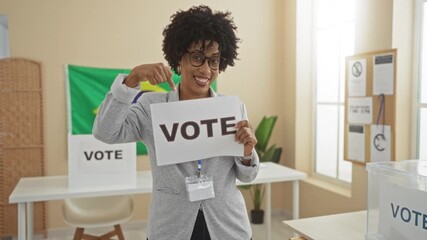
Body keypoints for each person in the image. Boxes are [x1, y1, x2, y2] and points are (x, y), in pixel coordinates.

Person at [93, 5, 259, 240]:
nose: (205, 69)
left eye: (213, 61)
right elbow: (105, 132)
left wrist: (247, 153)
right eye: (197, 57)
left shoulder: (231, 109)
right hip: (171, 227)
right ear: (178, 58)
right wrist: (132, 79)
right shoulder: (152, 108)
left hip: (227, 227)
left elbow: (247, 176)